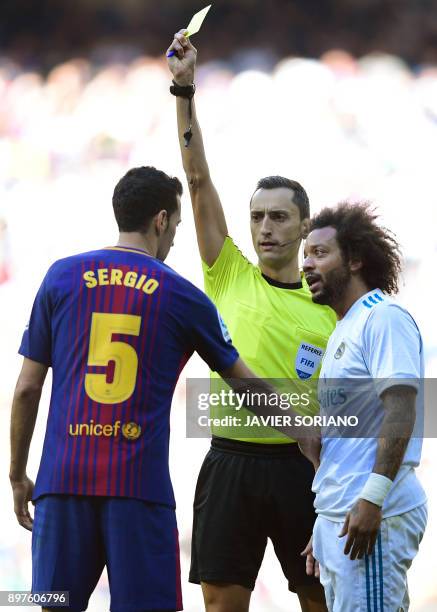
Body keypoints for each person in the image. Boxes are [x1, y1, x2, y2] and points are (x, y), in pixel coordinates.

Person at [10, 165, 313, 612]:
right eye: (175, 226)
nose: (174, 239)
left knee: (55, 603)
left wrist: (17, 475)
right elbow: (249, 388)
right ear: (161, 220)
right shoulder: (182, 295)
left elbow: (26, 390)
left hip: (62, 483)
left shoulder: (60, 277)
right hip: (137, 489)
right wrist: (307, 434)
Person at [166, 32, 336, 612]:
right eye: (257, 216)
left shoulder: (331, 308)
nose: (265, 227)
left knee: (321, 597)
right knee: (221, 602)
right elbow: (196, 180)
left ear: (305, 225)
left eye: (280, 217)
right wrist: (184, 90)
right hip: (230, 458)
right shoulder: (229, 273)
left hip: (302, 465)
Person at [302, 202, 427, 611]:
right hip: (341, 521)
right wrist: (324, 522)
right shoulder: (343, 328)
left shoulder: (383, 318)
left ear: (355, 259)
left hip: (375, 518)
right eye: (306, 254)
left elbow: (401, 409)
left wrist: (372, 499)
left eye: (320, 253)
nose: (307, 264)